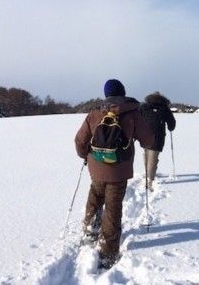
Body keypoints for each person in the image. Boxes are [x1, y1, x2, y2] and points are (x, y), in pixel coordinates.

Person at [75, 79, 154, 269]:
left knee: (95, 197)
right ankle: (108, 252)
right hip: (120, 169)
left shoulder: (94, 113)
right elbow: (149, 140)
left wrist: (85, 155)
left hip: (96, 167)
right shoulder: (133, 113)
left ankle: (90, 232)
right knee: (112, 207)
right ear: (123, 92)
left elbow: (79, 141)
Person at [139, 92, 176, 191]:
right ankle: (150, 179)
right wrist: (171, 127)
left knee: (146, 154)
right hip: (158, 137)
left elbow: (137, 119)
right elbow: (172, 122)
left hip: (144, 135)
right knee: (153, 158)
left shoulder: (143, 106)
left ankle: (148, 174)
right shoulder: (164, 108)